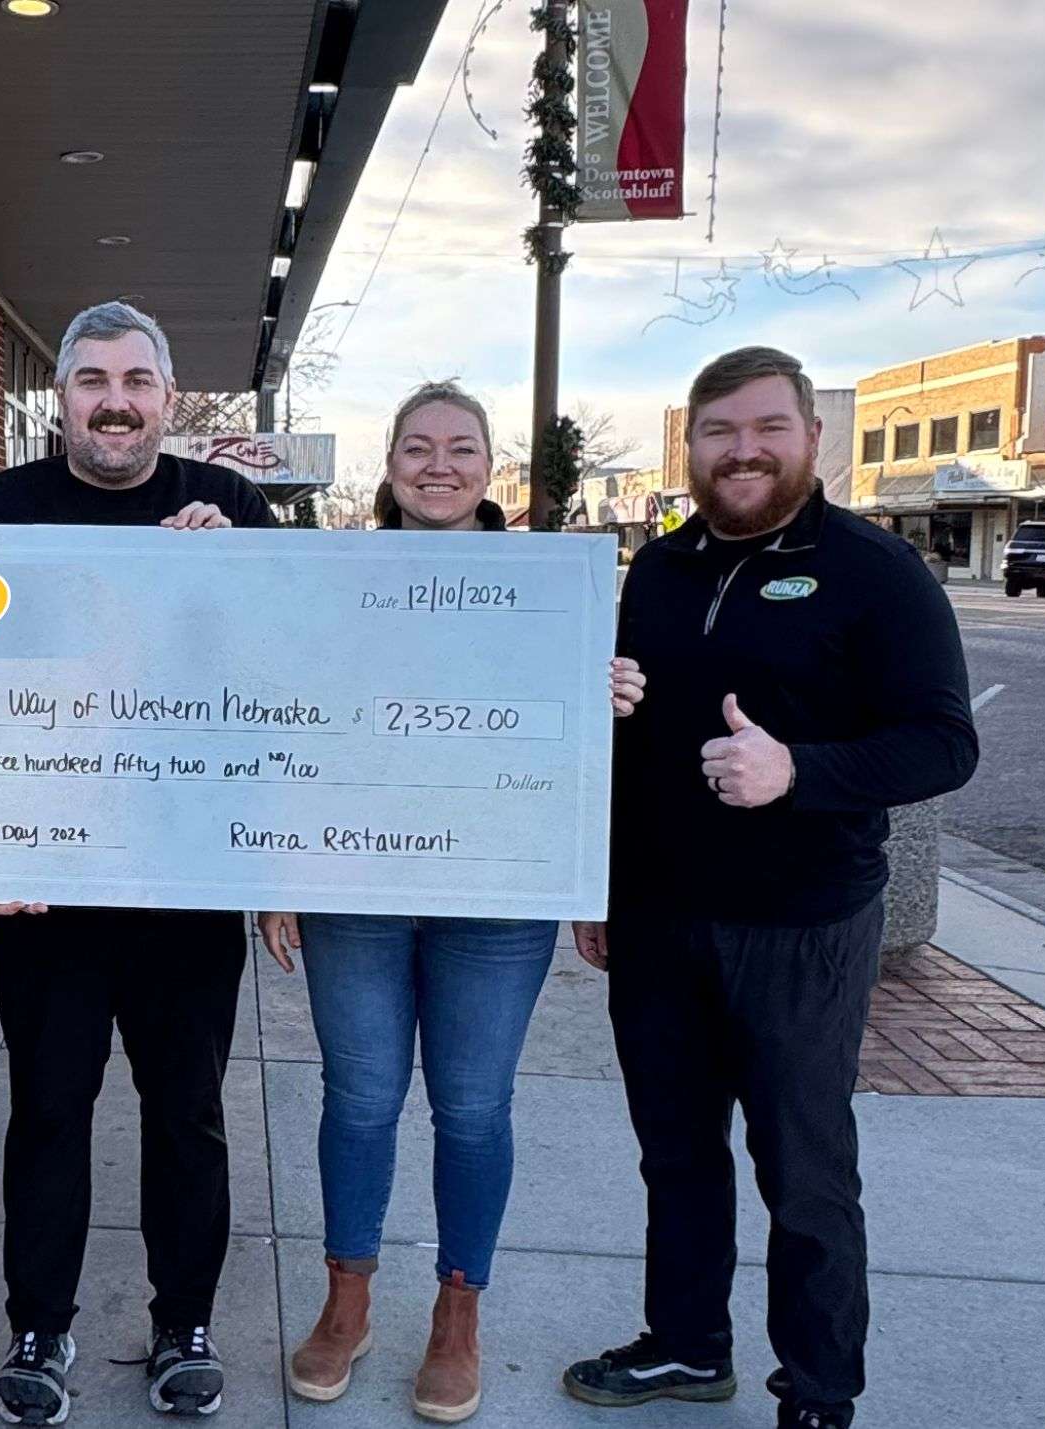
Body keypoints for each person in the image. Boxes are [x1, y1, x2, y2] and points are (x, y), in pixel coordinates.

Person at [562, 348, 978, 1429]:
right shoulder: (655, 571)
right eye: (717, 432)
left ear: (808, 438)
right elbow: (628, 746)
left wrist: (800, 771)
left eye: (765, 428)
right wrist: (591, 875)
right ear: (689, 446)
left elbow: (942, 743)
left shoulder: (874, 571)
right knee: (675, 1152)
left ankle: (820, 1386)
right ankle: (686, 1344)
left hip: (801, 923)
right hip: (655, 919)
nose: (740, 450)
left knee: (801, 1168)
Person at [257, 382, 645, 1424]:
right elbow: (289, 716)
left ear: (490, 466)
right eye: (418, 447)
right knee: (362, 1097)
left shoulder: (547, 587)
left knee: (472, 1108)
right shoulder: (335, 576)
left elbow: (571, 741)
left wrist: (601, 702)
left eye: (460, 448)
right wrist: (277, 872)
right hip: (354, 883)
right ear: (386, 464)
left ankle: (456, 1315)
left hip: (495, 892)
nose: (439, 465)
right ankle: (347, 1304)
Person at [0, 301, 274, 1425]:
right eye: (91, 379)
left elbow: (289, 678)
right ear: (61, 398)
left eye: (135, 378)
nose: (115, 398)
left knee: (186, 1110)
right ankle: (38, 1324)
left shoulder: (229, 507)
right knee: (48, 1107)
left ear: (167, 398)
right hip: (44, 884)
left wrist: (236, 580)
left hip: (182, 878)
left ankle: (183, 1318)